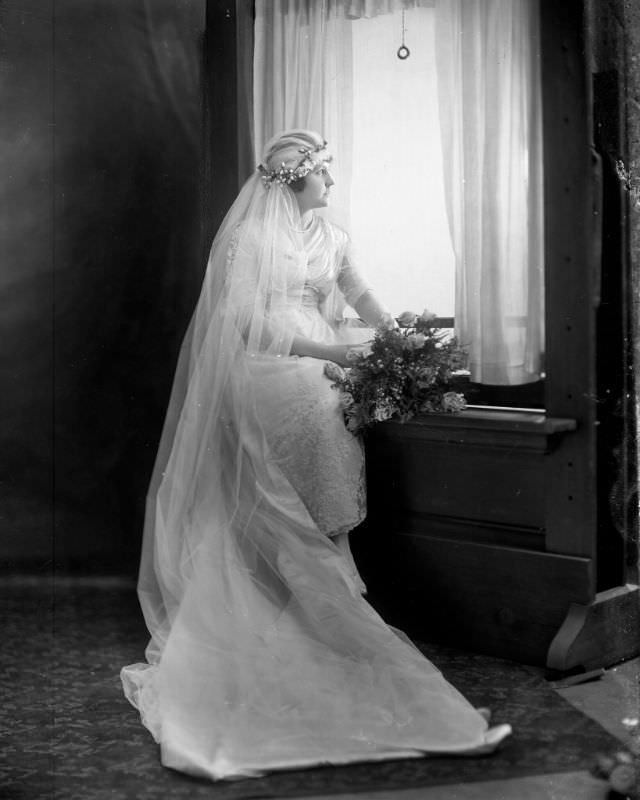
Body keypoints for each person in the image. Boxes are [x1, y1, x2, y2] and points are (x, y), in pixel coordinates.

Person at [121, 129, 511, 780]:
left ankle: (328, 575)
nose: (331, 184)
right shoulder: (251, 241)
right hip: (268, 366)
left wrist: (400, 345)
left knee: (331, 401)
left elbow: (362, 299)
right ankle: (318, 576)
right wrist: (332, 354)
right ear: (295, 179)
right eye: (322, 174)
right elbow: (245, 323)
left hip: (321, 363)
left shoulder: (333, 236)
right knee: (316, 395)